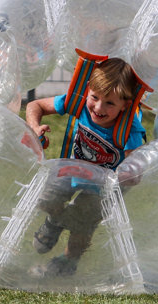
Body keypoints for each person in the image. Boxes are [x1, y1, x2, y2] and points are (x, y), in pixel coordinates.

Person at [25, 54, 148, 276]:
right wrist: (34, 127)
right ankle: (55, 221)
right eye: (95, 97)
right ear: (88, 89)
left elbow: (134, 167)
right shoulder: (78, 102)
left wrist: (132, 172)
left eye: (110, 103)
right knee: (45, 199)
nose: (99, 107)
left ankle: (68, 261)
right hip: (73, 168)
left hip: (103, 185)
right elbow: (35, 104)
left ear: (125, 105)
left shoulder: (130, 129)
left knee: (84, 222)